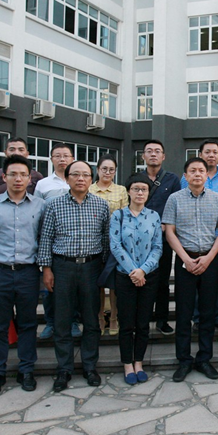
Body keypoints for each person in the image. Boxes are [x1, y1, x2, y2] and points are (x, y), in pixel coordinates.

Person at [38, 161, 110, 391]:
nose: (80, 179)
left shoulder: (101, 205)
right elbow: (46, 238)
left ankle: (89, 366)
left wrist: (104, 269)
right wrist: (46, 269)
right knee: (62, 320)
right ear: (67, 178)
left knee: (91, 320)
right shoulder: (54, 205)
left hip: (91, 267)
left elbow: (105, 239)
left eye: (85, 175)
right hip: (63, 267)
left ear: (91, 179)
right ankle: (64, 369)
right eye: (76, 175)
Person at [0, 155, 45, 396]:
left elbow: (42, 238)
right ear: (3, 177)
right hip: (0, 272)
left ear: (30, 179)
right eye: (13, 174)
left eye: (23, 175)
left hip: (28, 273)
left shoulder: (39, 205)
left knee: (28, 323)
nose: (18, 179)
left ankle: (26, 370)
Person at [163, 157, 218, 383]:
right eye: (193, 171)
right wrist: (185, 259)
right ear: (186, 176)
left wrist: (209, 258)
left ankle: (204, 359)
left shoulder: (217, 198)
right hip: (185, 260)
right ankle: (184, 360)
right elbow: (169, 231)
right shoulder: (174, 199)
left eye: (201, 170)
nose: (197, 174)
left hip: (209, 259)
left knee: (208, 313)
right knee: (183, 313)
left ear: (206, 175)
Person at [110, 173, 162, 384]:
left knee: (143, 323)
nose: (140, 193)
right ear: (128, 191)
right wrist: (134, 271)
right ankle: (127, 364)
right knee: (127, 323)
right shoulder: (118, 216)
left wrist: (144, 270)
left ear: (148, 193)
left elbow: (158, 247)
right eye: (136, 189)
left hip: (149, 276)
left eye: (144, 189)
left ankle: (139, 362)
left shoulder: (154, 216)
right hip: (126, 276)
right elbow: (115, 245)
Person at [180, 140, 218, 334]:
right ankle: (197, 318)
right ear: (200, 154)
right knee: (195, 281)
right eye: (207, 152)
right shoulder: (187, 178)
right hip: (193, 241)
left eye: (215, 152)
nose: (211, 155)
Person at [34, 143, 77, 340]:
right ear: (51, 159)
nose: (62, 159)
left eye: (66, 155)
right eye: (57, 156)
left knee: (74, 287)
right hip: (51, 239)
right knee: (49, 286)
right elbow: (37, 211)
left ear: (72, 159)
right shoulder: (43, 184)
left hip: (74, 241)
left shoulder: (79, 179)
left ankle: (73, 321)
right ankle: (50, 322)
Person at [142, 140, 181, 336]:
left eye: (157, 151)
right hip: (140, 239)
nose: (153, 154)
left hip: (164, 238)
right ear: (143, 156)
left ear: (163, 156)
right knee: (142, 277)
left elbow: (176, 206)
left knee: (163, 280)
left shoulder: (172, 179)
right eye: (149, 151)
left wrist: (167, 224)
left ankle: (162, 319)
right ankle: (142, 318)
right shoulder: (136, 178)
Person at [89, 154, 128, 336]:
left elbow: (125, 215)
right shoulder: (89, 189)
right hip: (94, 241)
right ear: (97, 170)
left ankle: (113, 316)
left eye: (111, 169)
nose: (107, 172)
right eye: (104, 169)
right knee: (97, 282)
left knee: (113, 283)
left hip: (115, 241)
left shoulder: (121, 190)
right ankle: (99, 316)